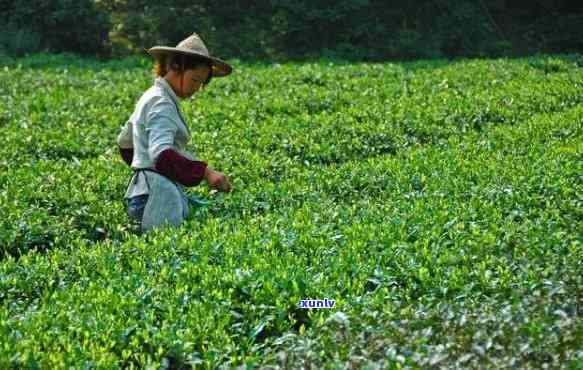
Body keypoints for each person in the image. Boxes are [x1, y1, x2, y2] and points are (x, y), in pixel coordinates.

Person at [116, 33, 232, 233]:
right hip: (157, 197)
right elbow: (162, 155)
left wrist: (145, 168)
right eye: (194, 80)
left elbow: (125, 144)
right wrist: (206, 172)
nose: (196, 89)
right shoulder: (162, 103)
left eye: (201, 83)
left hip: (143, 193)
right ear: (175, 67)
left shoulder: (151, 96)